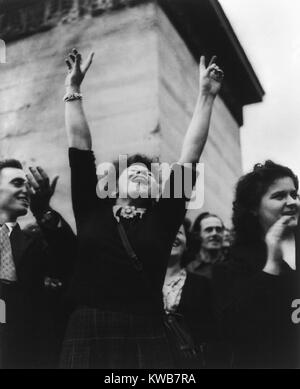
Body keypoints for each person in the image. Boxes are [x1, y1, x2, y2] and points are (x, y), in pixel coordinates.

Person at [60, 48, 224, 368]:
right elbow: (79, 148)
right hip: (87, 327)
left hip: (144, 329)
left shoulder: (163, 218)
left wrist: (206, 96)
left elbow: (189, 155)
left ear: (157, 191)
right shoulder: (93, 209)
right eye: (130, 171)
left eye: (147, 174)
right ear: (115, 186)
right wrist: (73, 90)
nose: (138, 172)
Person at [213, 160, 300, 368]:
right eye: (279, 196)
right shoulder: (233, 265)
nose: (292, 202)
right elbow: (234, 331)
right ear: (253, 208)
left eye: (294, 194)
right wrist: (271, 265)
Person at [0, 161, 75, 368]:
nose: (25, 190)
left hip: (28, 356)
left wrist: (42, 209)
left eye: (27, 185)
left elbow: (70, 261)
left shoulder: (35, 244)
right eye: (16, 183)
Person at [163, 219, 218, 368]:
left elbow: (213, 335)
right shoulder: (142, 284)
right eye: (166, 231)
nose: (173, 236)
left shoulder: (203, 284)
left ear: (187, 243)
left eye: (179, 232)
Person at [187, 212, 225, 279]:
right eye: (209, 230)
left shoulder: (233, 265)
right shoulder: (189, 269)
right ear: (198, 235)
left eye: (218, 230)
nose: (214, 233)